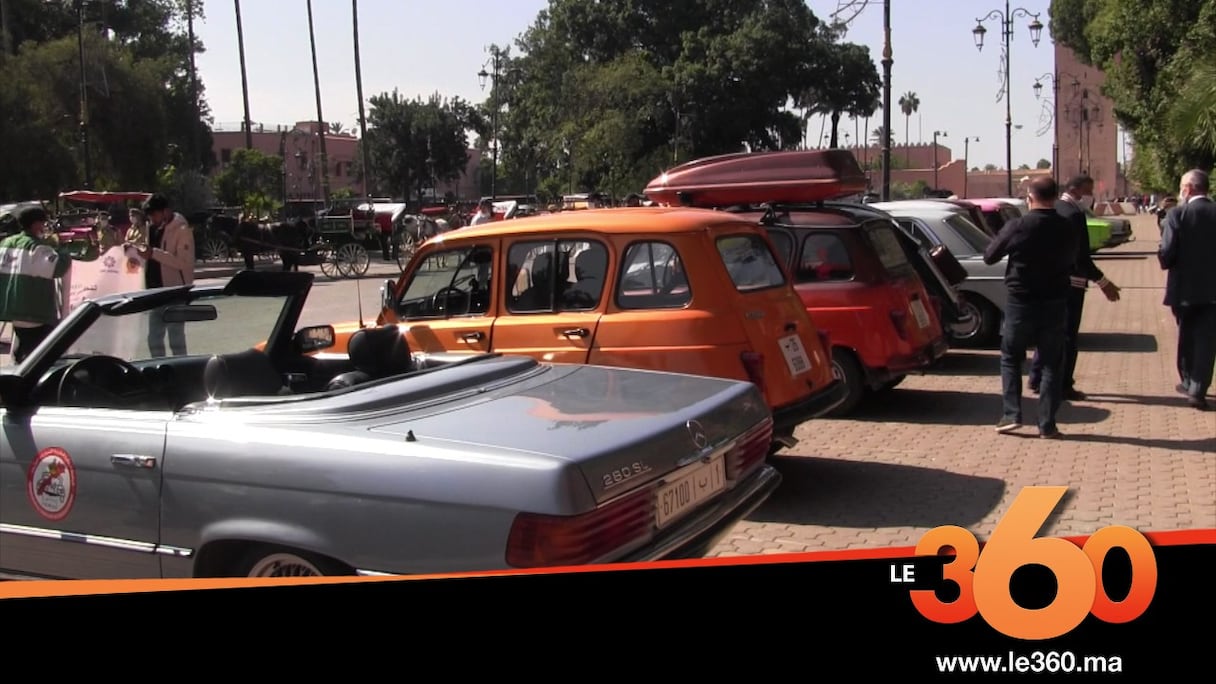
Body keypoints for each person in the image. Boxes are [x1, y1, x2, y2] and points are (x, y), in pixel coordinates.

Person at [983, 176, 1079, 438]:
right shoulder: (1067, 226)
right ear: (1055, 196)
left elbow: (990, 256)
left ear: (1030, 197)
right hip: (1055, 301)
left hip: (1020, 300)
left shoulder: (1019, 225)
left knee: (1011, 357)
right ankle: (1047, 423)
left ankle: (1012, 414)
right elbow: (1074, 259)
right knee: (1051, 363)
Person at [1028, 174, 1121, 400]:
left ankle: (1037, 377)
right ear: (1077, 190)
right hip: (1072, 283)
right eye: (1088, 191)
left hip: (1049, 281)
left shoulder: (1056, 209)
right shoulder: (1073, 214)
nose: (1090, 196)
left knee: (1049, 331)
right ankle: (1063, 384)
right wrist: (1102, 281)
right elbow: (1080, 255)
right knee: (1068, 335)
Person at [0, 207, 95, 362]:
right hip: (34, 311)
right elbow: (57, 267)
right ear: (36, 224)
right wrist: (63, 249)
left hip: (12, 310)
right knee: (41, 356)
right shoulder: (36, 247)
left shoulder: (6, 243)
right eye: (43, 223)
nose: (45, 227)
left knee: (24, 346)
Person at [1158, 168, 1216, 411]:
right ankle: (1198, 390)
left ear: (1189, 188)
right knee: (1207, 340)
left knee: (1186, 336)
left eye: (1182, 186)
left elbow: (1168, 251)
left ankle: (1188, 380)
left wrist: (1164, 259)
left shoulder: (1177, 214)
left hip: (1183, 290)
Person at [127, 194, 194, 357]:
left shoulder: (182, 231)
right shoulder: (153, 229)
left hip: (175, 293)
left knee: (176, 340)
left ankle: (181, 372)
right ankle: (160, 372)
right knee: (154, 340)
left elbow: (184, 263)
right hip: (155, 292)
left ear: (165, 211)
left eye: (153, 214)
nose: (151, 218)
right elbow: (150, 255)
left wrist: (154, 253)